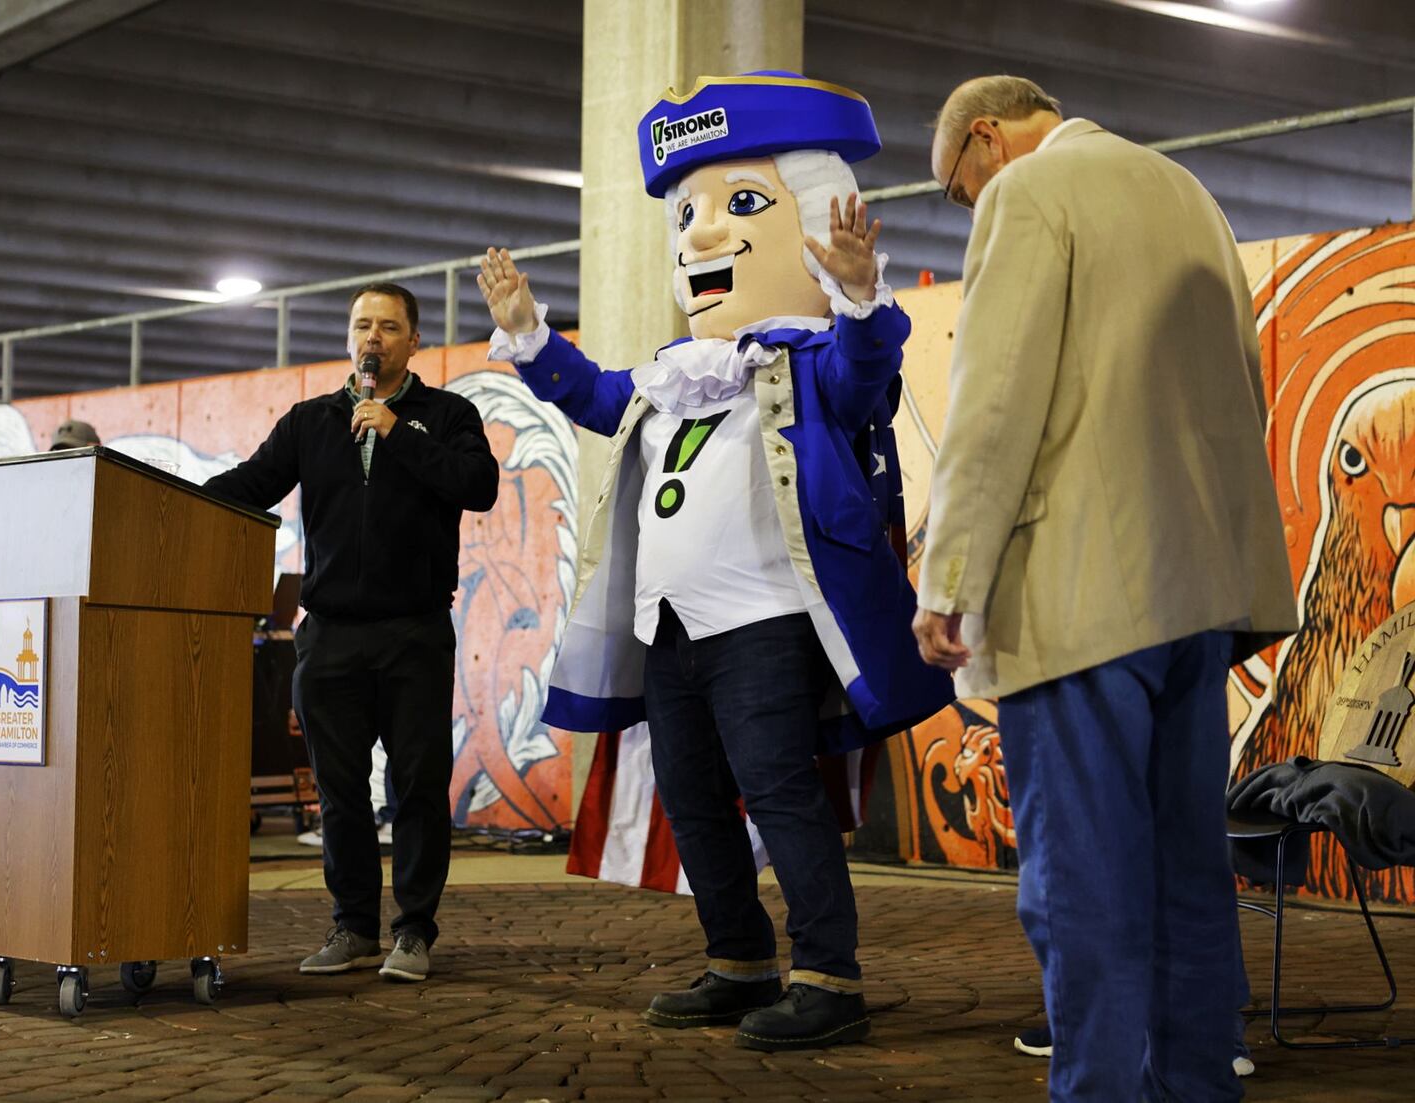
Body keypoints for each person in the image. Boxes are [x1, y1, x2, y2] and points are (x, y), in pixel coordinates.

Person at [480, 71, 953, 1052]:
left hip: (767, 620)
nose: (700, 233)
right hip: (672, 625)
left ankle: (829, 975)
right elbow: (593, 393)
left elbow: (869, 377)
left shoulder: (811, 360)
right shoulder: (670, 378)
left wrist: (859, 295)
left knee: (779, 789)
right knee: (691, 793)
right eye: (688, 212)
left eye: (740, 207)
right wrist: (528, 330)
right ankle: (738, 957)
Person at [914, 76, 1297, 1101]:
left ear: (986, 138)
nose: (968, 208)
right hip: (1199, 594)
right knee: (1187, 882)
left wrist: (949, 576)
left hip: (1081, 598)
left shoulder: (1029, 192)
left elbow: (995, 402)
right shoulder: (1185, 192)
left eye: (958, 189)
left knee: (1080, 885)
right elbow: (1243, 384)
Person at [204, 282, 499, 983]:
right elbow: (250, 483)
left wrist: (399, 434)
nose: (374, 337)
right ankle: (353, 926)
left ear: (414, 341)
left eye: (390, 326)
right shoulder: (311, 422)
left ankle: (414, 931)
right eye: (363, 325)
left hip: (415, 631)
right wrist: (167, 493)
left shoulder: (446, 414)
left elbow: (478, 484)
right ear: (348, 337)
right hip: (329, 634)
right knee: (340, 792)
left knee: (419, 786)